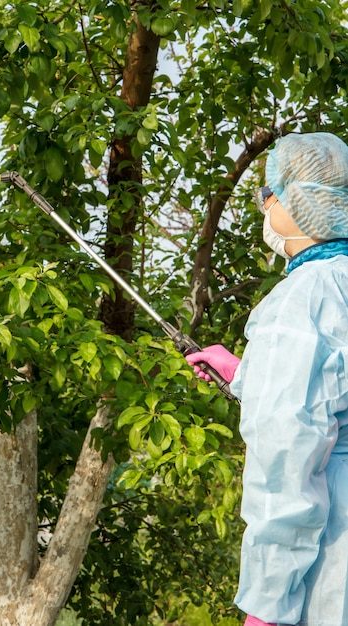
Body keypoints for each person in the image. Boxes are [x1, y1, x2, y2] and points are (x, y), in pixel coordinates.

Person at [186, 132, 348, 626]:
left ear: (293, 201)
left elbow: (286, 456)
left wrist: (267, 602)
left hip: (330, 566)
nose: (264, 205)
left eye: (267, 193)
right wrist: (247, 375)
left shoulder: (302, 299)